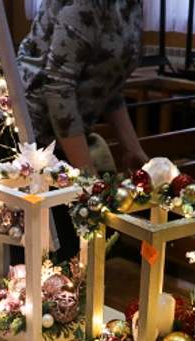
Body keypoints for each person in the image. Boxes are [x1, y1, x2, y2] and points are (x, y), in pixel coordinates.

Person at [17, 0, 148, 259]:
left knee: (80, 257)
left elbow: (107, 82)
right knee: (51, 260)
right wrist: (87, 178)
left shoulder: (132, 5)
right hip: (28, 140)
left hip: (63, 139)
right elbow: (58, 87)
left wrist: (133, 150)